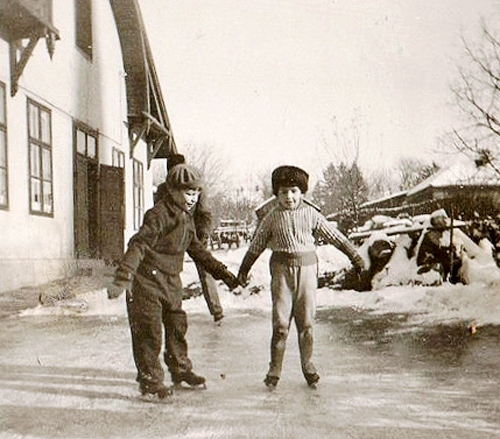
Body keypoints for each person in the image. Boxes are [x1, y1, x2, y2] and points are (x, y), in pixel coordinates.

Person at [107, 164, 239, 399]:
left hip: (171, 281)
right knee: (149, 332)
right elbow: (139, 244)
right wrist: (123, 277)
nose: (193, 199)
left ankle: (180, 369)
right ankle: (150, 381)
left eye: (196, 193)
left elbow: (197, 250)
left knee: (177, 325)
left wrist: (224, 274)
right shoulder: (158, 215)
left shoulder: (187, 218)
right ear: (173, 191)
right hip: (146, 282)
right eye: (188, 193)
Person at [237, 165, 366, 389]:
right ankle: (274, 369)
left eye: (294, 191)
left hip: (307, 272)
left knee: (306, 323)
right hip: (281, 273)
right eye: (283, 192)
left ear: (302, 192)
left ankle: (308, 365)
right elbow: (256, 245)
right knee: (280, 325)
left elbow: (335, 237)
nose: (289, 197)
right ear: (276, 194)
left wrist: (355, 257)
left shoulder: (312, 214)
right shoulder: (271, 218)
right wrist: (244, 270)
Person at [155, 154, 224, 322]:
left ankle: (217, 311)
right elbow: (159, 213)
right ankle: (168, 310)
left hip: (194, 235)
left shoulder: (197, 188)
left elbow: (205, 213)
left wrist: (203, 234)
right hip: (171, 236)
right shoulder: (163, 190)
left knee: (205, 270)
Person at [416, 209, 461, 283]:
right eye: (439, 221)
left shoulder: (445, 233)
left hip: (442, 261)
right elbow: (432, 250)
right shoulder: (430, 234)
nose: (442, 222)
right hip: (431, 263)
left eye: (442, 220)